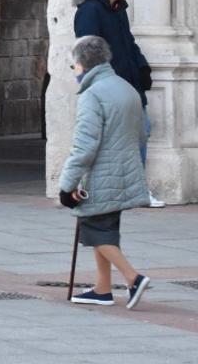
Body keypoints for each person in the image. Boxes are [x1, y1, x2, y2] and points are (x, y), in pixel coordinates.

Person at [59, 35, 151, 309]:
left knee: (95, 230)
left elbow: (85, 146)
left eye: (74, 66)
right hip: (125, 172)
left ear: (84, 65)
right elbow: (141, 135)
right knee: (106, 230)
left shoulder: (93, 95)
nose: (74, 71)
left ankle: (133, 278)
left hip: (102, 175)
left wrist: (67, 186)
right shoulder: (125, 88)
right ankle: (102, 288)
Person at [71, 0, 163, 207]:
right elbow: (86, 51)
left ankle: (136, 191)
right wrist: (97, 85)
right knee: (98, 139)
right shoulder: (90, 10)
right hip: (107, 88)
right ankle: (84, 188)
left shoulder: (119, 10)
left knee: (140, 133)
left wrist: (142, 66)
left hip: (130, 85)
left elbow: (129, 43)